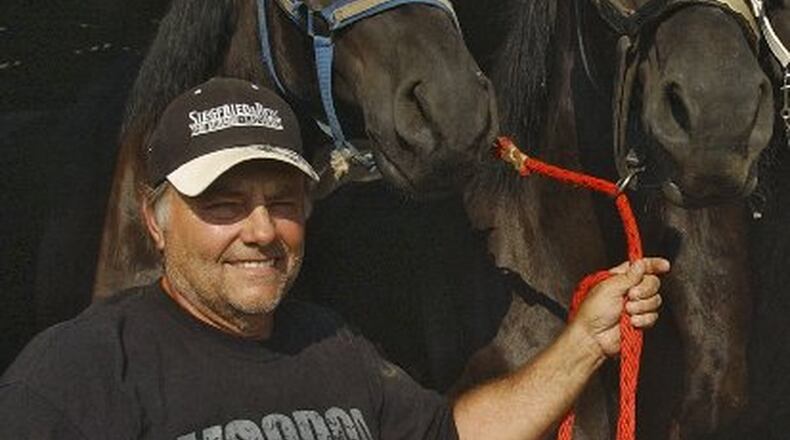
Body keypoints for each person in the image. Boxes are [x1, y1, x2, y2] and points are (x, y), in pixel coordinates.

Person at [0, 77, 669, 440]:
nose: (261, 230)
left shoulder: (332, 344)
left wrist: (586, 341)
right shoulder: (79, 373)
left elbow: (454, 434)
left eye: (282, 201)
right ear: (155, 221)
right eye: (224, 205)